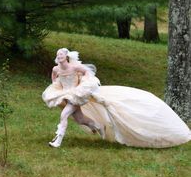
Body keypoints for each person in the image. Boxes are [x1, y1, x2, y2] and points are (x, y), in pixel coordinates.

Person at [42, 48, 191, 148]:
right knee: (81, 120)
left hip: (76, 95)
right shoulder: (56, 68)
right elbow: (54, 78)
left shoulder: (74, 68)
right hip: (66, 95)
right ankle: (99, 126)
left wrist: (83, 85)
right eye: (58, 55)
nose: (59, 56)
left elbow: (87, 72)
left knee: (64, 115)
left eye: (61, 54)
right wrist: (56, 86)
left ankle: (58, 140)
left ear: (66, 56)